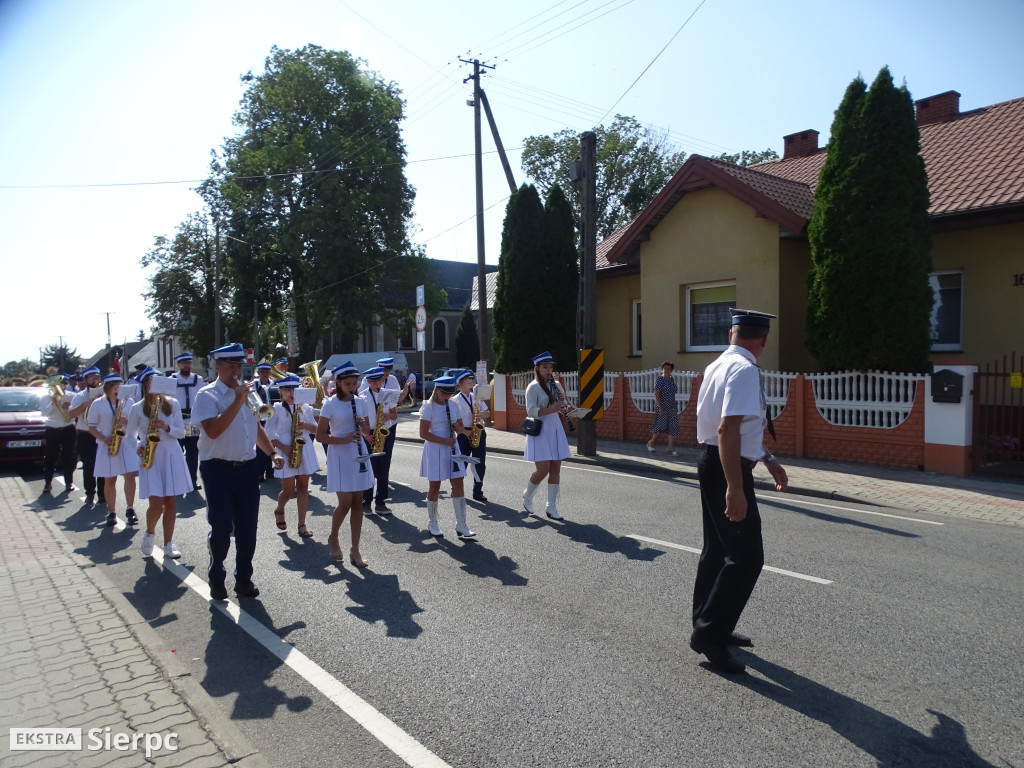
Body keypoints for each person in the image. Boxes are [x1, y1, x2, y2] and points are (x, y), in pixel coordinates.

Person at [690, 309, 789, 674]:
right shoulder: (745, 370)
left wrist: (768, 459)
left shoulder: (718, 365)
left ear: (732, 334)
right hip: (726, 466)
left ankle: (710, 623)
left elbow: (739, 431)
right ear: (763, 340)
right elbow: (728, 430)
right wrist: (735, 487)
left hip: (714, 461)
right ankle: (709, 636)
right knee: (747, 558)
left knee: (717, 552)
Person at [192, 343, 286, 601]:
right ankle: (216, 572)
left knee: (248, 528)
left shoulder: (248, 394)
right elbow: (212, 430)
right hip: (217, 469)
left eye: (239, 366)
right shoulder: (207, 395)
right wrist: (237, 400)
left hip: (247, 467)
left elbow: (255, 427)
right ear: (218, 366)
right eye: (231, 366)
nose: (236, 371)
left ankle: (243, 577)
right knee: (221, 526)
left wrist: (272, 453)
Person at [128, 368, 192, 559]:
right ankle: (149, 533)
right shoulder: (137, 408)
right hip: (151, 454)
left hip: (171, 453)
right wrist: (138, 446)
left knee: (171, 501)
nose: (155, 386)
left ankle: (169, 543)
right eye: (151, 382)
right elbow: (129, 435)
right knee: (156, 502)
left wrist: (167, 427)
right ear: (146, 385)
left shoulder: (172, 403)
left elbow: (182, 432)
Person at [316, 362, 374, 566]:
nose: (352, 387)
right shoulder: (330, 404)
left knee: (359, 501)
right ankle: (333, 537)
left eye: (354, 383)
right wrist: (343, 439)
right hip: (339, 454)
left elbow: (367, 430)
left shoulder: (361, 401)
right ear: (338, 383)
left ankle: (355, 550)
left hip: (358, 452)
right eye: (347, 384)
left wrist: (364, 427)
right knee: (345, 502)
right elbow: (320, 436)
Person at [419, 375, 476, 539]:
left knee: (458, 483)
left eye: (450, 394)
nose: (448, 397)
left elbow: (458, 427)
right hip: (436, 448)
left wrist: (460, 430)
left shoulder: (453, 404)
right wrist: (444, 440)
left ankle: (461, 524)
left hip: (452, 447)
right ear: (437, 391)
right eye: (445, 394)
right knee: (435, 486)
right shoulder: (429, 407)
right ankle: (433, 522)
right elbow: (423, 433)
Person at [521, 352, 575, 520]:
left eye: (550, 367)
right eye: (545, 367)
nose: (549, 370)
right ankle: (528, 495)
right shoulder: (533, 387)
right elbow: (530, 411)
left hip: (555, 428)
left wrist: (569, 409)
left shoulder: (557, 385)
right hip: (541, 429)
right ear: (537, 368)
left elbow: (563, 403)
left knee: (556, 469)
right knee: (542, 470)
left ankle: (551, 506)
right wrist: (551, 409)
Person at [265, 374, 320, 537]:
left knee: (303, 488)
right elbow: (268, 432)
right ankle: (280, 508)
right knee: (288, 490)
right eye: (287, 390)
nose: (291, 393)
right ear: (280, 391)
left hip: (303, 448)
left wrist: (306, 425)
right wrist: (282, 447)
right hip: (284, 449)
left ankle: (302, 525)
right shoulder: (275, 408)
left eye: (294, 389)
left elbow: (317, 429)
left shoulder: (305, 408)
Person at [88, 373, 139, 527]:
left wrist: (128, 421)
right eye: (115, 386)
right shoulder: (98, 403)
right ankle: (111, 512)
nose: (118, 388)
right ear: (108, 388)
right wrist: (104, 438)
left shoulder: (129, 402)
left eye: (119, 385)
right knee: (110, 479)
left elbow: (138, 423)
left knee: (129, 476)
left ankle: (130, 509)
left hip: (127, 443)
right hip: (107, 444)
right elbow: (91, 426)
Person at [359, 357, 400, 514]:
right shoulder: (362, 397)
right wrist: (365, 435)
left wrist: (388, 416)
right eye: (374, 382)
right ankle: (366, 501)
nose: (378, 385)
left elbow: (395, 415)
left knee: (384, 467)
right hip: (369, 434)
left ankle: (381, 501)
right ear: (368, 382)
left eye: (380, 381)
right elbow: (359, 420)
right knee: (370, 468)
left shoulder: (388, 394)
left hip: (385, 432)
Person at [69, 366, 105, 504]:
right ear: (85, 380)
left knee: (103, 464)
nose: (95, 380)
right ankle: (90, 493)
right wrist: (85, 405)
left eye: (97, 377)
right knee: (89, 466)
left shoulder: (106, 393)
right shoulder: (79, 396)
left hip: (102, 433)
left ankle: (103, 495)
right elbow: (71, 414)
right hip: (85, 434)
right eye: (91, 377)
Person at [453, 369, 489, 503]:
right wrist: (463, 431)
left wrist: (481, 414)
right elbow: (454, 421)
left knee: (480, 463)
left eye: (471, 382)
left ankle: (477, 491)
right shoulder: (455, 400)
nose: (471, 384)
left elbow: (487, 412)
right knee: (461, 463)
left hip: (478, 431)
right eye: (468, 382)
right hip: (464, 434)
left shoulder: (476, 397)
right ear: (460, 384)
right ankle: (457, 489)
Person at [169, 351, 203, 491]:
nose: (186, 365)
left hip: (192, 420)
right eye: (183, 363)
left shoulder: (198, 379)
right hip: (176, 420)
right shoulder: (171, 379)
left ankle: (192, 481)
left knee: (192, 452)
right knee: (176, 452)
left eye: (188, 363)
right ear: (178, 364)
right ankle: (176, 482)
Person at [40, 373, 77, 493]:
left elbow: (77, 411)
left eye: (64, 384)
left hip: (68, 428)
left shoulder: (72, 396)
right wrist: (54, 401)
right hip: (52, 429)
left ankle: (69, 482)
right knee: (50, 458)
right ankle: (47, 483)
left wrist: (70, 407)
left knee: (68, 457)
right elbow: (45, 413)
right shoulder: (46, 397)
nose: (62, 386)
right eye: (60, 384)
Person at [647, 361, 680, 456]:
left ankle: (670, 449)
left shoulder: (672, 380)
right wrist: (660, 407)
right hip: (662, 407)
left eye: (668, 368)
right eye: (665, 368)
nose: (666, 370)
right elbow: (656, 393)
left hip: (672, 407)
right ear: (662, 369)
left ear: (671, 370)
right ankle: (652, 443)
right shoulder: (660, 379)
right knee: (660, 426)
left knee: (672, 427)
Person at [254, 361, 277, 481]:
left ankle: (269, 470)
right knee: (260, 445)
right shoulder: (254, 385)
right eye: (262, 371)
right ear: (258, 372)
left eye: (267, 371)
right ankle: (259, 472)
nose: (264, 374)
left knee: (271, 443)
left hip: (272, 417)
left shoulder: (274, 384)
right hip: (260, 417)